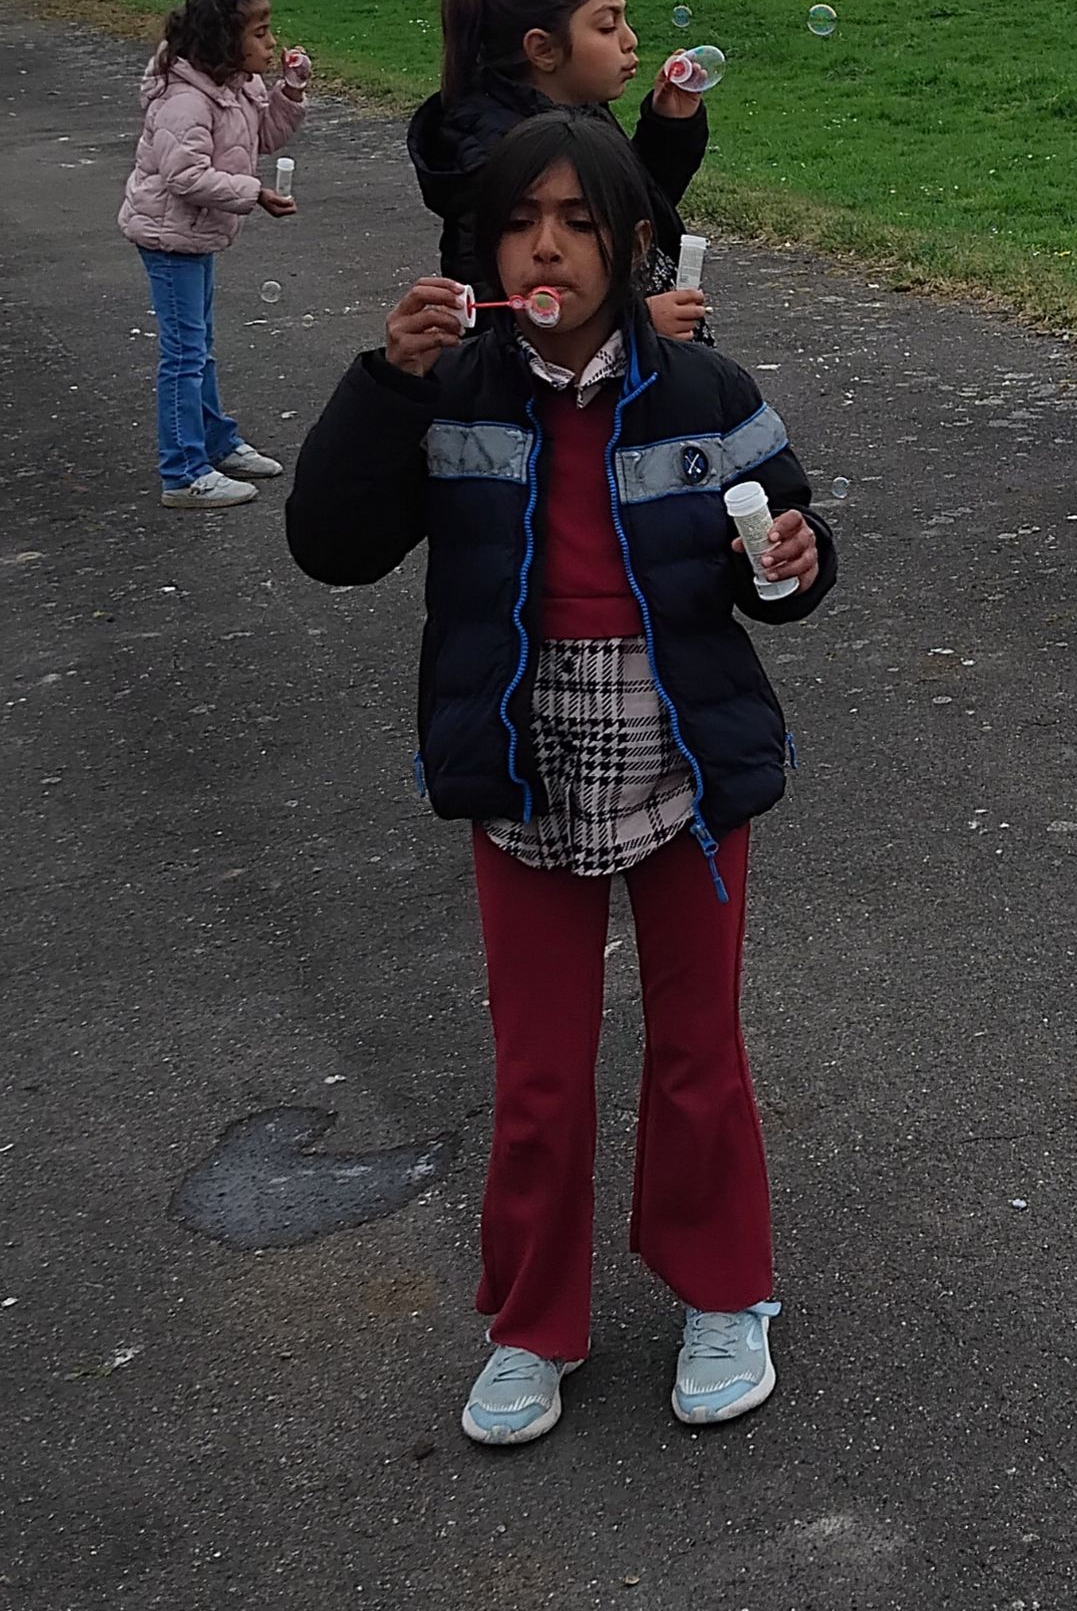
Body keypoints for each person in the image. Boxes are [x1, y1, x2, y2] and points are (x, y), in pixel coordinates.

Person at [285, 109, 837, 1448]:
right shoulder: (453, 390)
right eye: (522, 222)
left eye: (581, 223)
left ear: (634, 247)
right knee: (538, 1074)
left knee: (697, 1052)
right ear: (482, 249)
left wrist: (799, 565)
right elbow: (331, 545)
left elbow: (788, 551)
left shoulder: (706, 394)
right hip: (523, 769)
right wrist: (386, 380)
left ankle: (724, 1295)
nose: (549, 246)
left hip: (684, 765)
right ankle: (533, 1322)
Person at [407, 0, 712, 339]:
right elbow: (491, 318)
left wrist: (669, 127)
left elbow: (631, 210)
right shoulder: (495, 157)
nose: (630, 40)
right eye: (607, 26)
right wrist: (633, 325)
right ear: (543, 50)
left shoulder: (578, 113)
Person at [117, 0, 307, 509]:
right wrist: (254, 193)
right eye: (261, 34)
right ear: (226, 41)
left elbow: (263, 135)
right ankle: (183, 472)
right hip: (168, 234)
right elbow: (185, 176)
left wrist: (289, 91)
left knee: (198, 348)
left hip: (193, 234)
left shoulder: (239, 84)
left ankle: (216, 442)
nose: (271, 44)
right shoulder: (184, 101)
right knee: (184, 354)